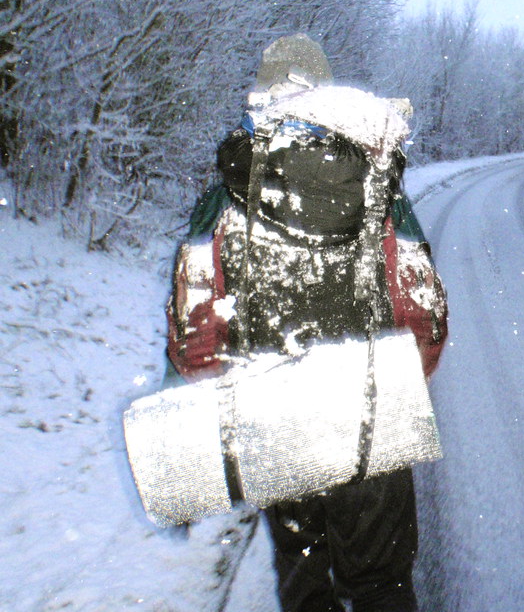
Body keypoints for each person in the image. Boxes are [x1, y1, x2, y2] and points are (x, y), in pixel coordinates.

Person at [164, 34, 447, 612]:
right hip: (373, 408)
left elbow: (193, 337)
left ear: (262, 94)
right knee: (380, 584)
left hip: (275, 413)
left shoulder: (224, 194)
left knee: (302, 571)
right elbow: (427, 316)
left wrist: (220, 395)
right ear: (325, 94)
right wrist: (395, 382)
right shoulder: (376, 185)